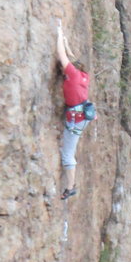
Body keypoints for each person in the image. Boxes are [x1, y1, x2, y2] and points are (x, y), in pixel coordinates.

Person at [56, 20, 91, 200]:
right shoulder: (83, 76)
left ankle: (70, 187)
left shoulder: (74, 75)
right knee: (70, 148)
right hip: (82, 115)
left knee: (67, 155)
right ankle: (71, 185)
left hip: (76, 118)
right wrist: (66, 41)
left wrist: (59, 33)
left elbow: (62, 55)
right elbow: (70, 57)